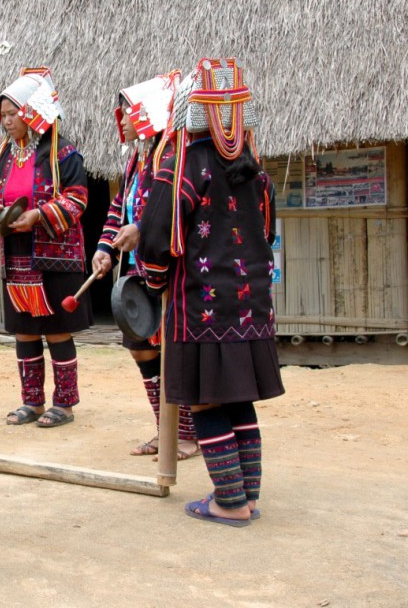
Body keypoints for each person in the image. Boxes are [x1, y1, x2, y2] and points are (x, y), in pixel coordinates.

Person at [138, 57, 284, 527]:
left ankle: (229, 500)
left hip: (199, 305)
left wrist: (154, 279)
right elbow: (265, 231)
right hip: (250, 304)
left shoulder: (183, 164)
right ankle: (248, 496)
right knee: (237, 397)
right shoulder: (253, 170)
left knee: (203, 399)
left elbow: (157, 236)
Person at [92, 73, 200, 460]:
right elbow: (119, 207)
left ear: (147, 112)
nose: (119, 118)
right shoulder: (139, 156)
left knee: (173, 351)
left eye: (126, 111)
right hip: (139, 272)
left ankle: (186, 434)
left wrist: (142, 229)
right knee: (142, 348)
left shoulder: (175, 155)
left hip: (171, 272)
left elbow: (175, 210)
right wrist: (106, 246)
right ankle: (164, 428)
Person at [0, 68, 92, 428]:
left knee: (57, 330)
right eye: (4, 115)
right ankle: (32, 401)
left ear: (32, 113)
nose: (7, 121)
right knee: (24, 331)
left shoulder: (63, 153)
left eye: (13, 114)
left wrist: (38, 216)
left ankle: (65, 404)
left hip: (54, 257)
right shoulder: (2, 157)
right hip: (17, 256)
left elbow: (78, 200)